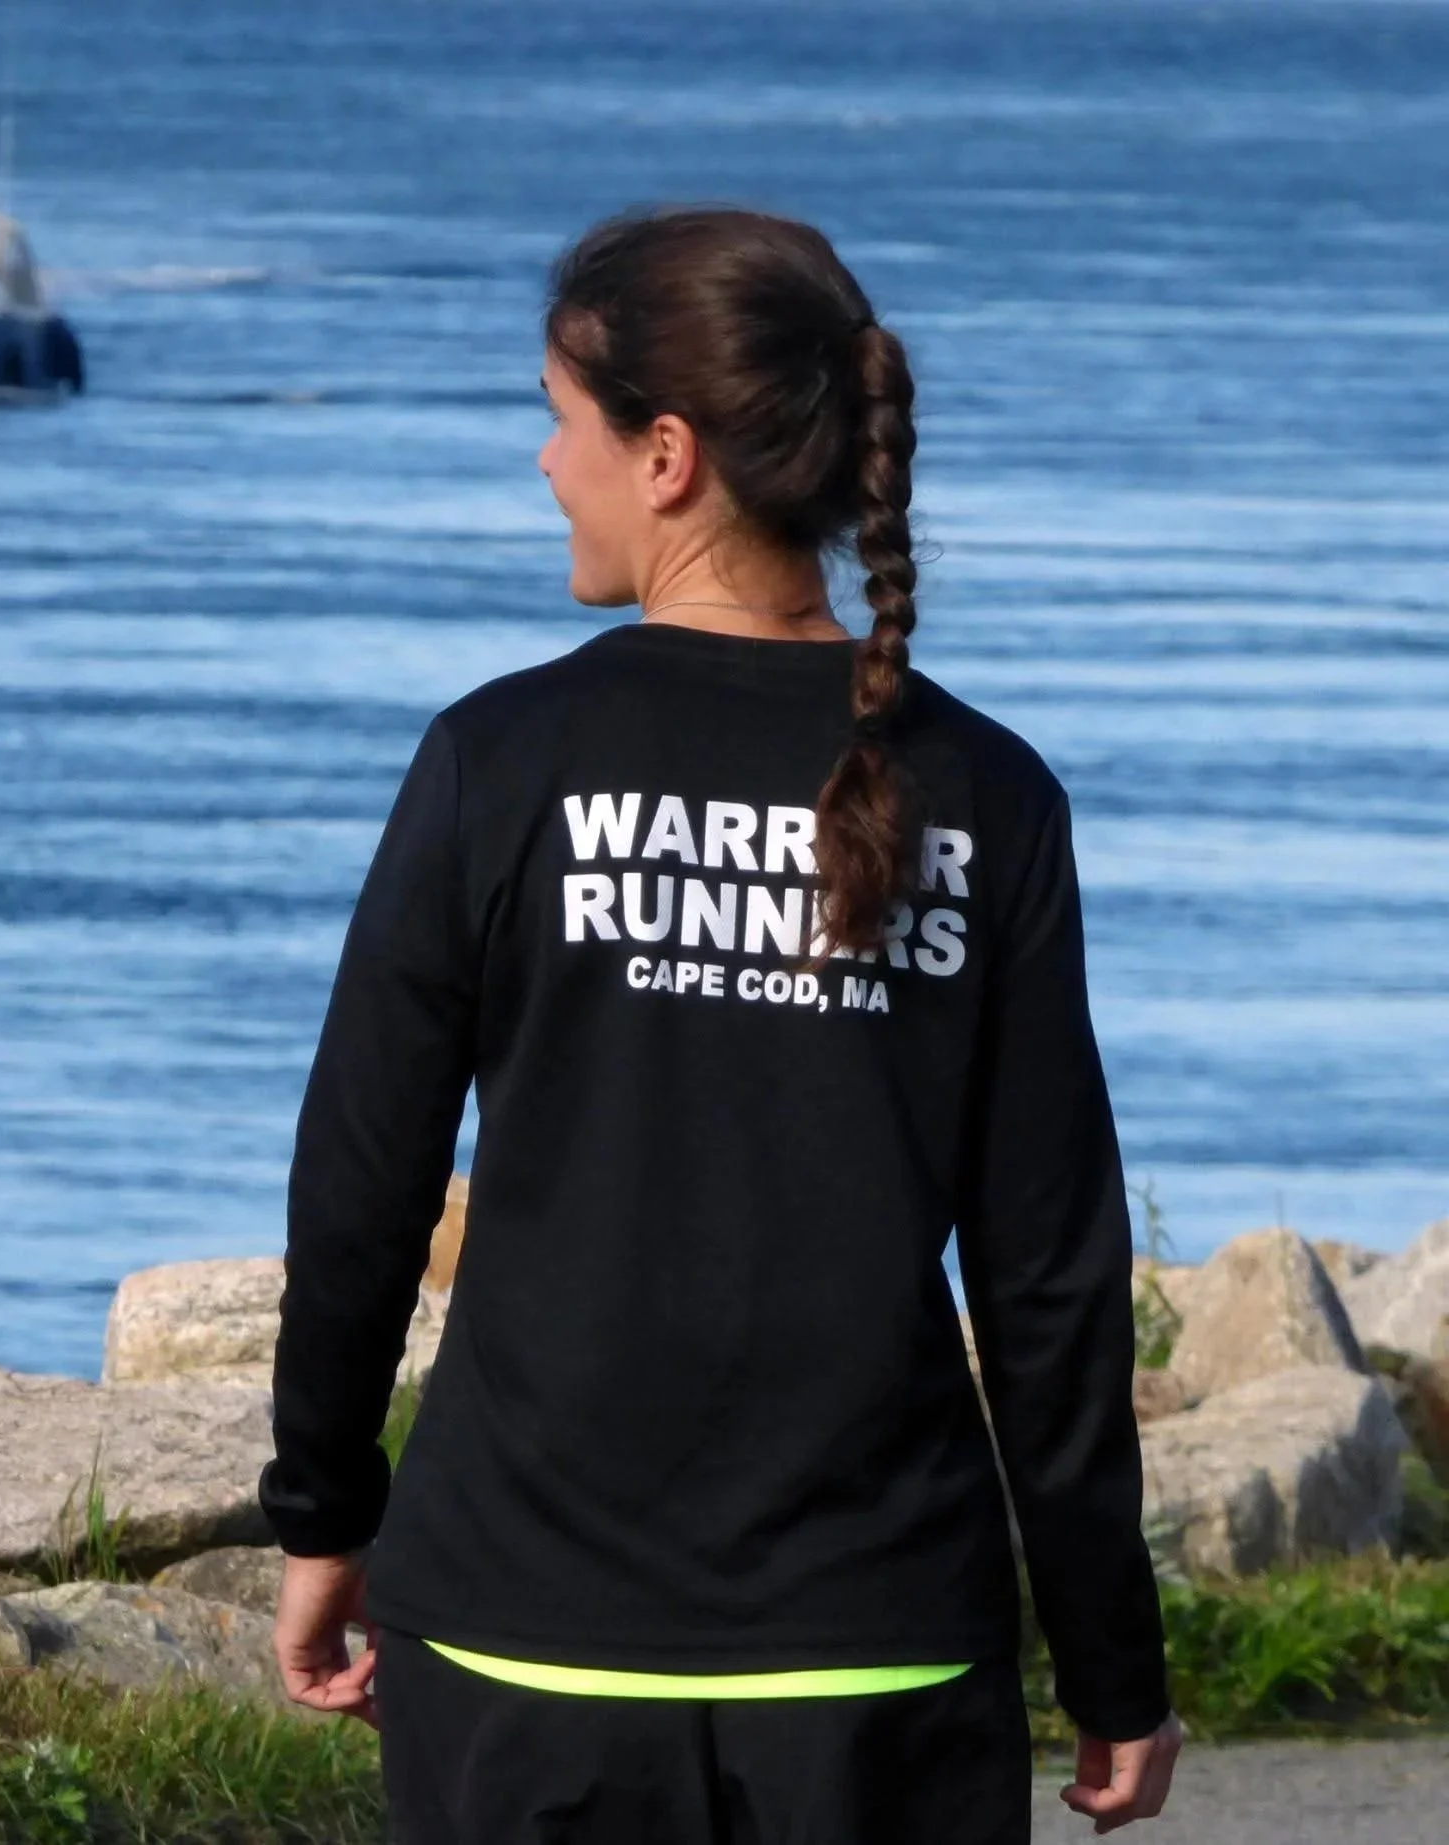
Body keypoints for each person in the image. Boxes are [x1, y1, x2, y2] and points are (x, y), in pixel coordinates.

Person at [261, 207, 1182, 1844]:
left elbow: (359, 1184)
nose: (548, 465)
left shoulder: (500, 762)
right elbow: (1045, 1285)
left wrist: (323, 1511)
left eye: (562, 422)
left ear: (665, 455)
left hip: (518, 1641)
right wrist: (1110, 1658)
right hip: (876, 1647)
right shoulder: (990, 796)